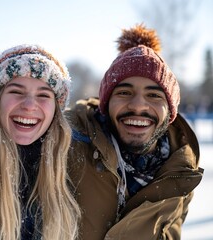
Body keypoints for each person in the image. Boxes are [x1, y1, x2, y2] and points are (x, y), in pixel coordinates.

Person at [66, 24, 204, 239]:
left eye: (154, 95)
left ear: (171, 112)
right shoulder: (67, 144)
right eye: (124, 92)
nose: (138, 106)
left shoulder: (181, 170)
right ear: (106, 103)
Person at [0, 44, 81, 240]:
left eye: (43, 95)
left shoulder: (69, 164)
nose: (29, 106)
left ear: (56, 111)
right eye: (17, 92)